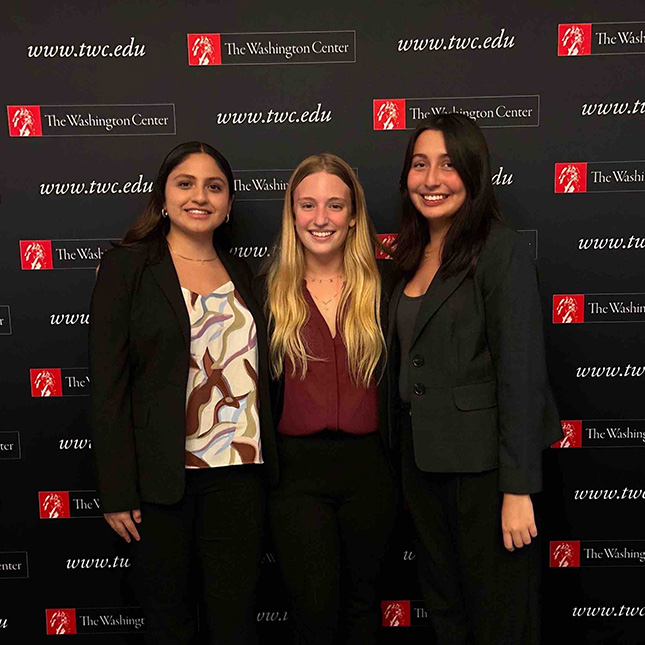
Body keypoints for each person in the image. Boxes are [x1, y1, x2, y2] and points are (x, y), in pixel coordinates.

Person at [89, 141, 277, 645]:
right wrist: (117, 489)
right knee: (169, 623)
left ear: (229, 203)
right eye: (185, 183)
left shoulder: (245, 275)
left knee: (234, 621)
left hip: (240, 478)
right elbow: (108, 387)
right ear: (164, 195)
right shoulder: (128, 268)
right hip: (160, 482)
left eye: (214, 186)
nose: (200, 196)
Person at [388, 114, 561, 644]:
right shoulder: (408, 255)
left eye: (447, 165)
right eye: (420, 165)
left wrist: (518, 489)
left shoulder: (499, 248)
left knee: (500, 618)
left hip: (486, 472)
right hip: (424, 466)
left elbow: (521, 372)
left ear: (473, 172)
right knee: (447, 611)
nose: (431, 179)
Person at [257, 153, 398, 644]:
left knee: (363, 607)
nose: (321, 219)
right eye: (308, 205)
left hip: (372, 472)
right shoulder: (264, 291)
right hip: (297, 476)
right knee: (311, 612)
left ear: (354, 214)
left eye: (335, 206)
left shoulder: (388, 286)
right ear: (291, 213)